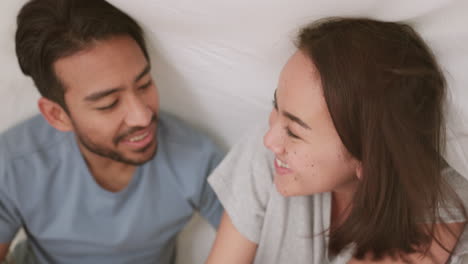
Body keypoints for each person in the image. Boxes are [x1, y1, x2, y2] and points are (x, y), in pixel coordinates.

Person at [206, 18, 468, 264]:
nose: (269, 139)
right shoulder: (268, 157)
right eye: (277, 104)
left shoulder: (439, 203)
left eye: (295, 132)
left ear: (370, 162)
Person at [0, 0, 224, 263]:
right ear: (57, 115)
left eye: (144, 84)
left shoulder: (198, 159)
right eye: (108, 104)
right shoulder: (13, 164)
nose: (143, 116)